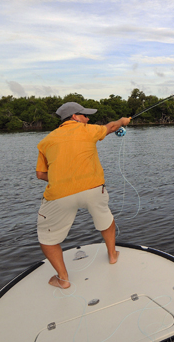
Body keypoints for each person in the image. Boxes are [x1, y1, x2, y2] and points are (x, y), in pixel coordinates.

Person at [35, 102, 131, 289]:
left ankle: (63, 279)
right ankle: (112, 255)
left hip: (59, 195)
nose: (88, 118)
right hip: (93, 190)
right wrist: (122, 121)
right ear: (74, 117)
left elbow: (40, 174)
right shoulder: (87, 130)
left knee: (47, 239)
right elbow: (111, 127)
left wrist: (63, 179)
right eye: (84, 115)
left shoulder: (45, 141)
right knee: (106, 218)